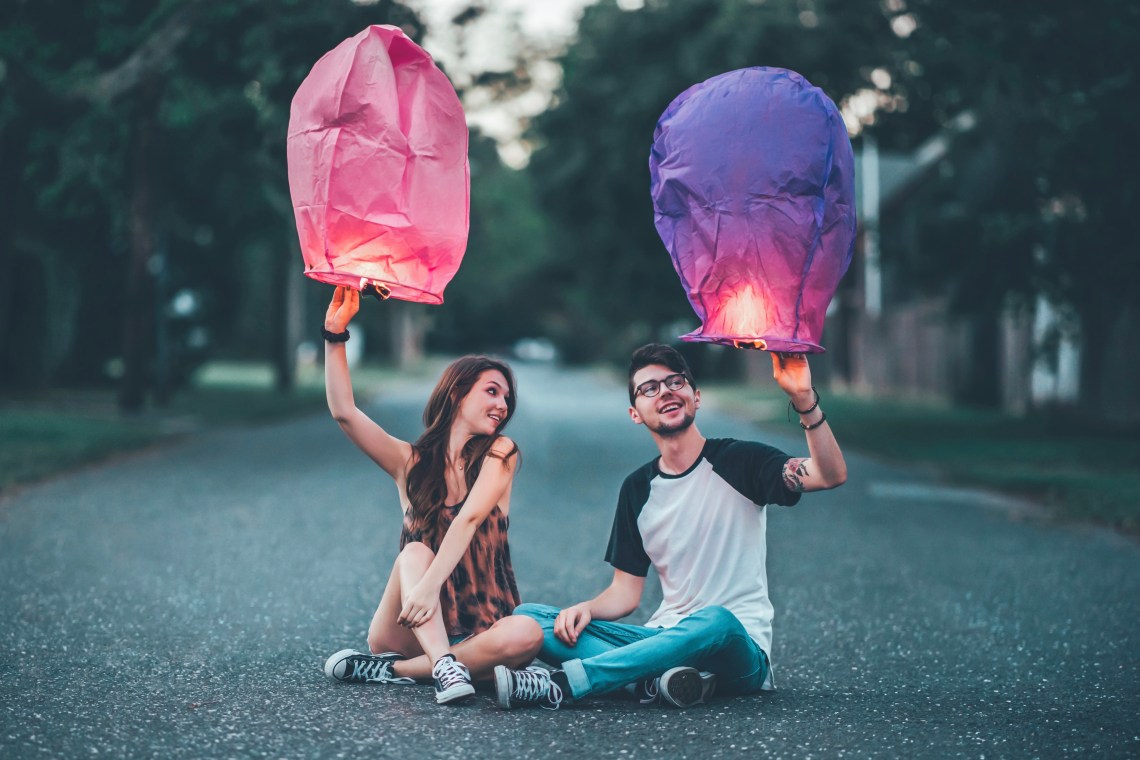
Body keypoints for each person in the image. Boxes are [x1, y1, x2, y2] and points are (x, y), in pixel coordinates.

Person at [493, 343, 847, 710]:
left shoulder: (742, 461)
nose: (664, 391)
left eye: (674, 382)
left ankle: (566, 684)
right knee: (531, 618)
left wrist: (804, 397)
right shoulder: (637, 488)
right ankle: (658, 680)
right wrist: (587, 609)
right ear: (635, 413)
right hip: (661, 637)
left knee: (715, 620)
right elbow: (625, 593)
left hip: (737, 648)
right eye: (649, 388)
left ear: (695, 397)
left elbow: (829, 474)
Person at [318, 286, 542, 705]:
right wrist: (335, 333)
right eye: (492, 391)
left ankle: (400, 672)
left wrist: (427, 588)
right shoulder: (410, 463)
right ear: (457, 392)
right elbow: (344, 412)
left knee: (528, 632)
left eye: (507, 397)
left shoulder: (501, 452)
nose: (503, 404)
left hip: (482, 627)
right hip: (408, 628)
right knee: (415, 553)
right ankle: (448, 666)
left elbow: (470, 518)